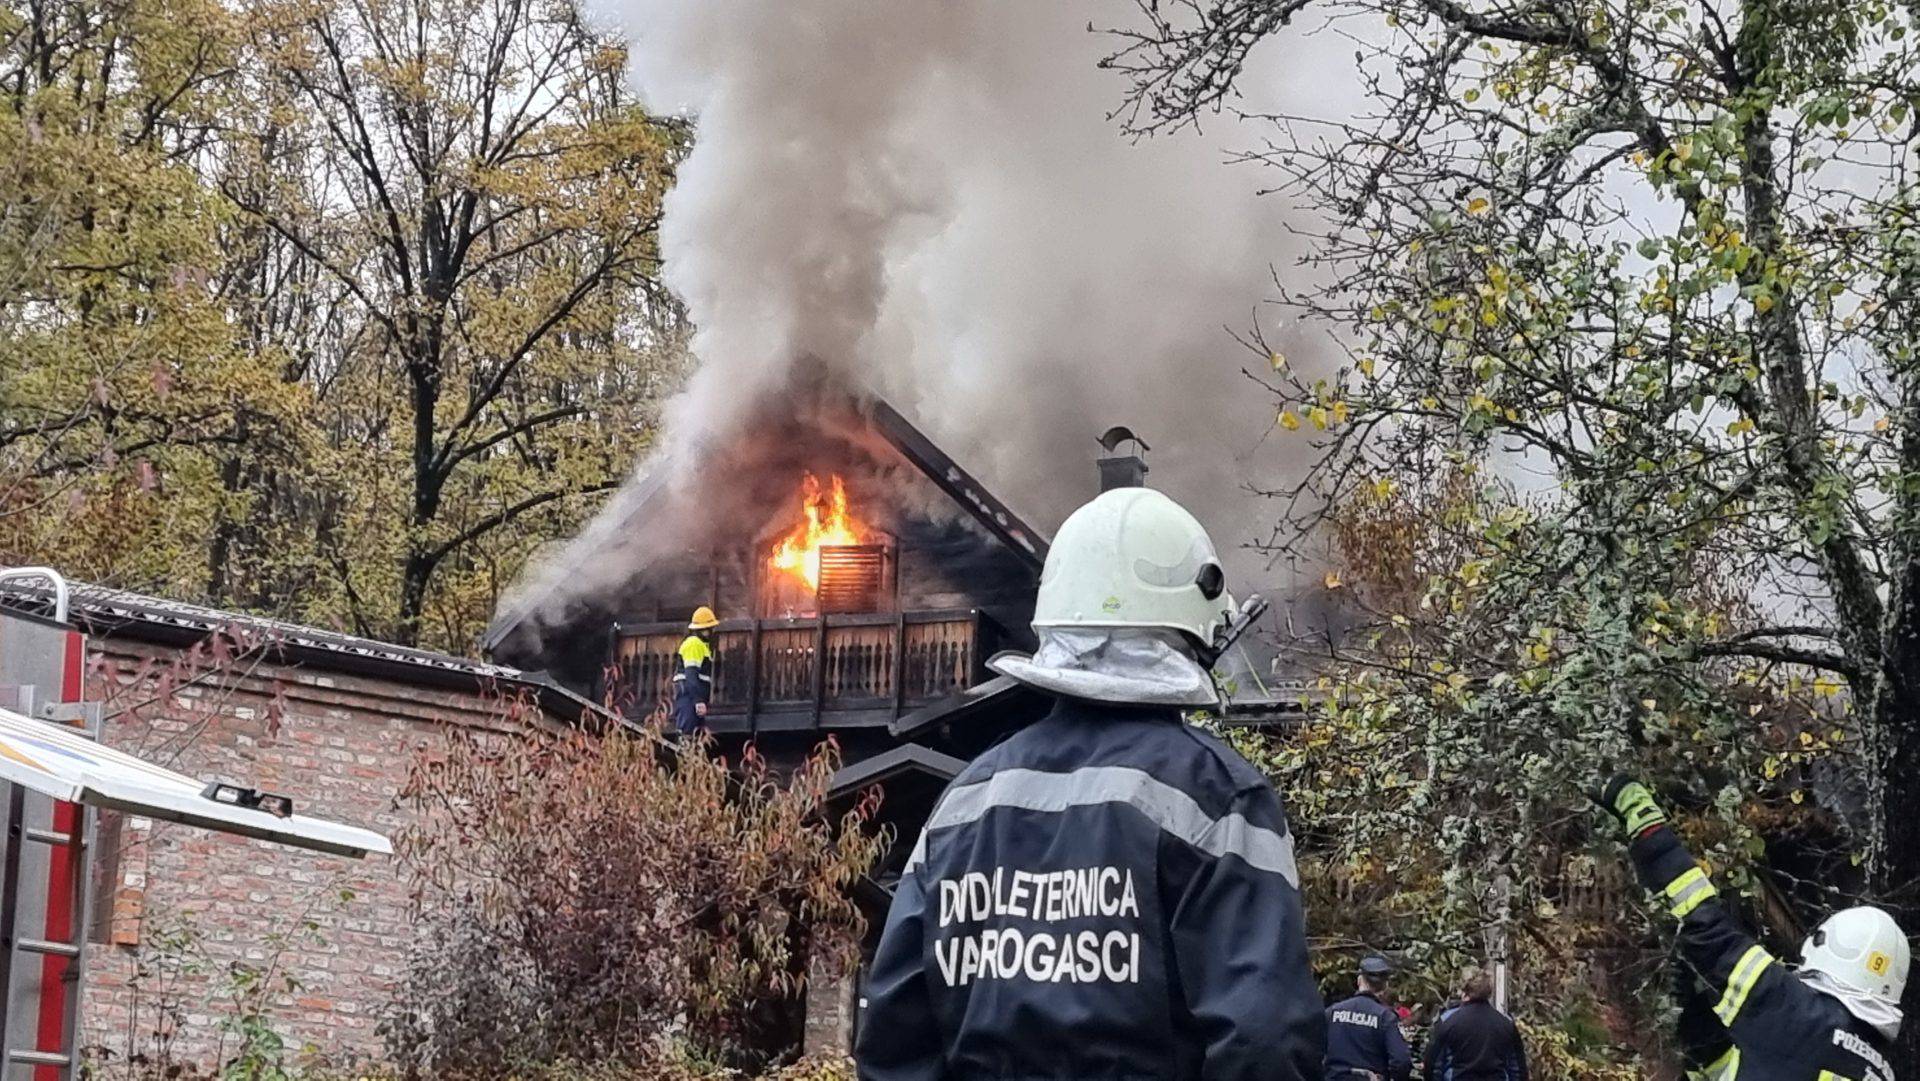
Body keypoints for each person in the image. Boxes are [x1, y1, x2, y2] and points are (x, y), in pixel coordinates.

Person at [856, 485, 1323, 1080]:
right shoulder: (1219, 797)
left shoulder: (963, 803)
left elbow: (894, 1045)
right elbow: (1266, 1044)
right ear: (1193, 626)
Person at [1595, 776, 1908, 1081]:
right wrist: (1701, 1032)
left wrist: (1650, 831)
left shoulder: (1798, 1013)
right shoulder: (1881, 1071)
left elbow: (1710, 933)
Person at [1422, 967, 1526, 1081]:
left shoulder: (1448, 1021)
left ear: (1464, 991)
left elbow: (1433, 1065)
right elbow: (1517, 1069)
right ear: (1489, 992)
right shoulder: (1506, 1023)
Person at [1325, 955, 1414, 1081]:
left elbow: (1312, 1049)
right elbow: (1401, 1062)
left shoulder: (1332, 1012)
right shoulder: (1385, 1018)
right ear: (1385, 986)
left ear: (1359, 980)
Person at [669, 606, 719, 736]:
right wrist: (698, 700)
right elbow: (691, 675)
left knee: (695, 737)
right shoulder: (694, 644)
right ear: (704, 630)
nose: (713, 631)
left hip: (691, 697)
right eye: (711, 628)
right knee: (687, 736)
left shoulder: (700, 645)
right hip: (689, 698)